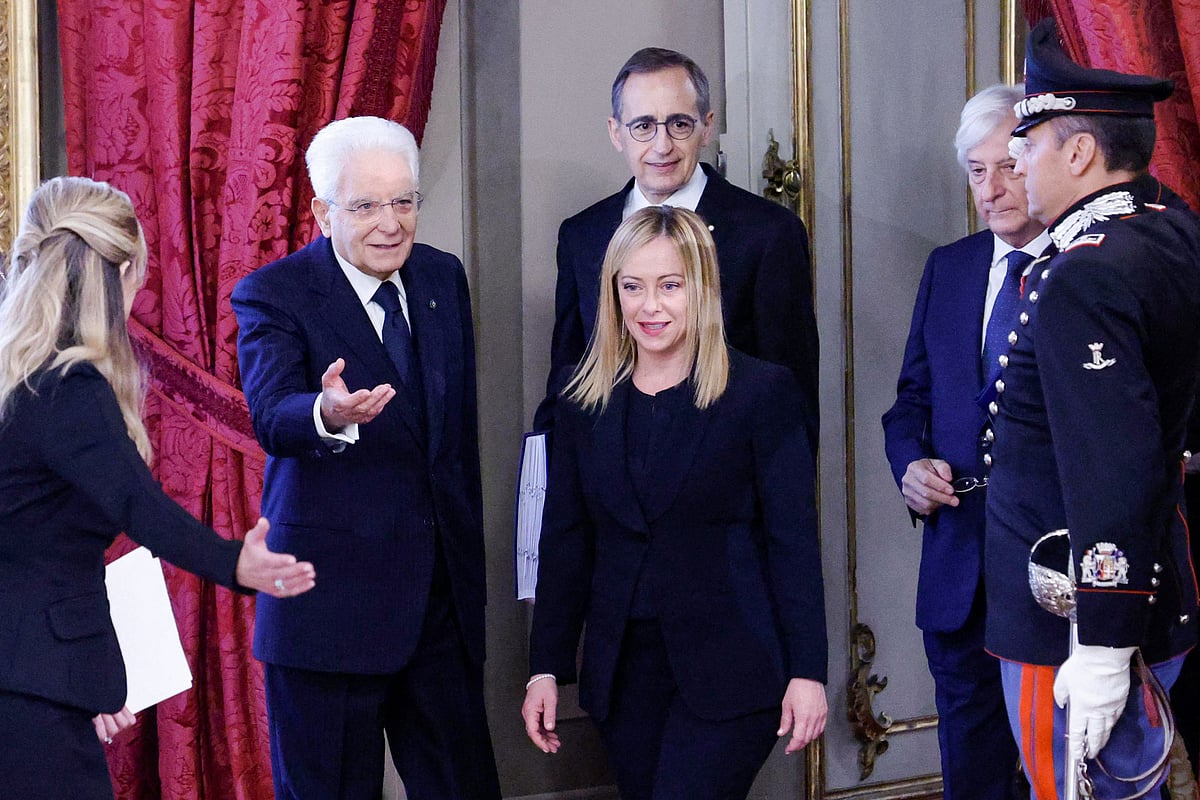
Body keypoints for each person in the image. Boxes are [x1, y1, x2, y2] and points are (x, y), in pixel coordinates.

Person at [0, 176, 315, 800]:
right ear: (119, 277)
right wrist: (234, 563)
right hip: (30, 693)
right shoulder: (67, 385)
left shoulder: (17, 379)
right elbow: (138, 506)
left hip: (33, 680)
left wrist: (78, 676)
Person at [231, 116, 501, 800]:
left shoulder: (442, 278)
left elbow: (455, 444)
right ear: (323, 212)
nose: (390, 223)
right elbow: (271, 414)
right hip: (329, 611)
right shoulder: (275, 292)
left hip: (439, 611)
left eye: (404, 201)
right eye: (366, 206)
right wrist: (326, 414)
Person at [522, 206, 827, 800]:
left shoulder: (761, 394)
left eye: (669, 285)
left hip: (735, 667)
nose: (649, 306)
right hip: (622, 674)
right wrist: (546, 666)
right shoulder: (581, 401)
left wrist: (809, 672)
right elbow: (565, 542)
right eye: (632, 286)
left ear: (702, 288)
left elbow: (792, 544)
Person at [986, 19, 1200, 798]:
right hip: (1156, 584)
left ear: (1078, 152)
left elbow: (1112, 460)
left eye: (1029, 145)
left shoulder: (1085, 273)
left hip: (1073, 612)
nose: (1015, 162)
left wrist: (1105, 644)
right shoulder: (1169, 229)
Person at [882, 84, 1048, 800]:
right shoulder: (949, 268)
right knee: (972, 782)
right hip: (957, 576)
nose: (991, 189)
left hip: (1051, 580)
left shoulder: (1086, 266)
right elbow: (909, 403)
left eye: (1007, 166)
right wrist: (910, 465)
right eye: (976, 172)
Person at [534, 47, 818, 453]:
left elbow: (793, 395)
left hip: (725, 493)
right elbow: (568, 378)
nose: (662, 145)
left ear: (706, 126)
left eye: (679, 124)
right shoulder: (583, 236)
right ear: (616, 132)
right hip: (609, 492)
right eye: (643, 126)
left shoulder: (769, 233)